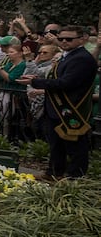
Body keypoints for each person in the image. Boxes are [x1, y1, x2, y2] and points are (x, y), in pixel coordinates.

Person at [23, 24, 97, 180]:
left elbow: (66, 83)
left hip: (72, 107)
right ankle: (54, 172)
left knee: (75, 146)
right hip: (56, 107)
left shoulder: (82, 58)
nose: (64, 41)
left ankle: (75, 177)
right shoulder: (68, 56)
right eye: (61, 38)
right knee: (56, 144)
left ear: (82, 39)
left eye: (69, 39)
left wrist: (36, 83)